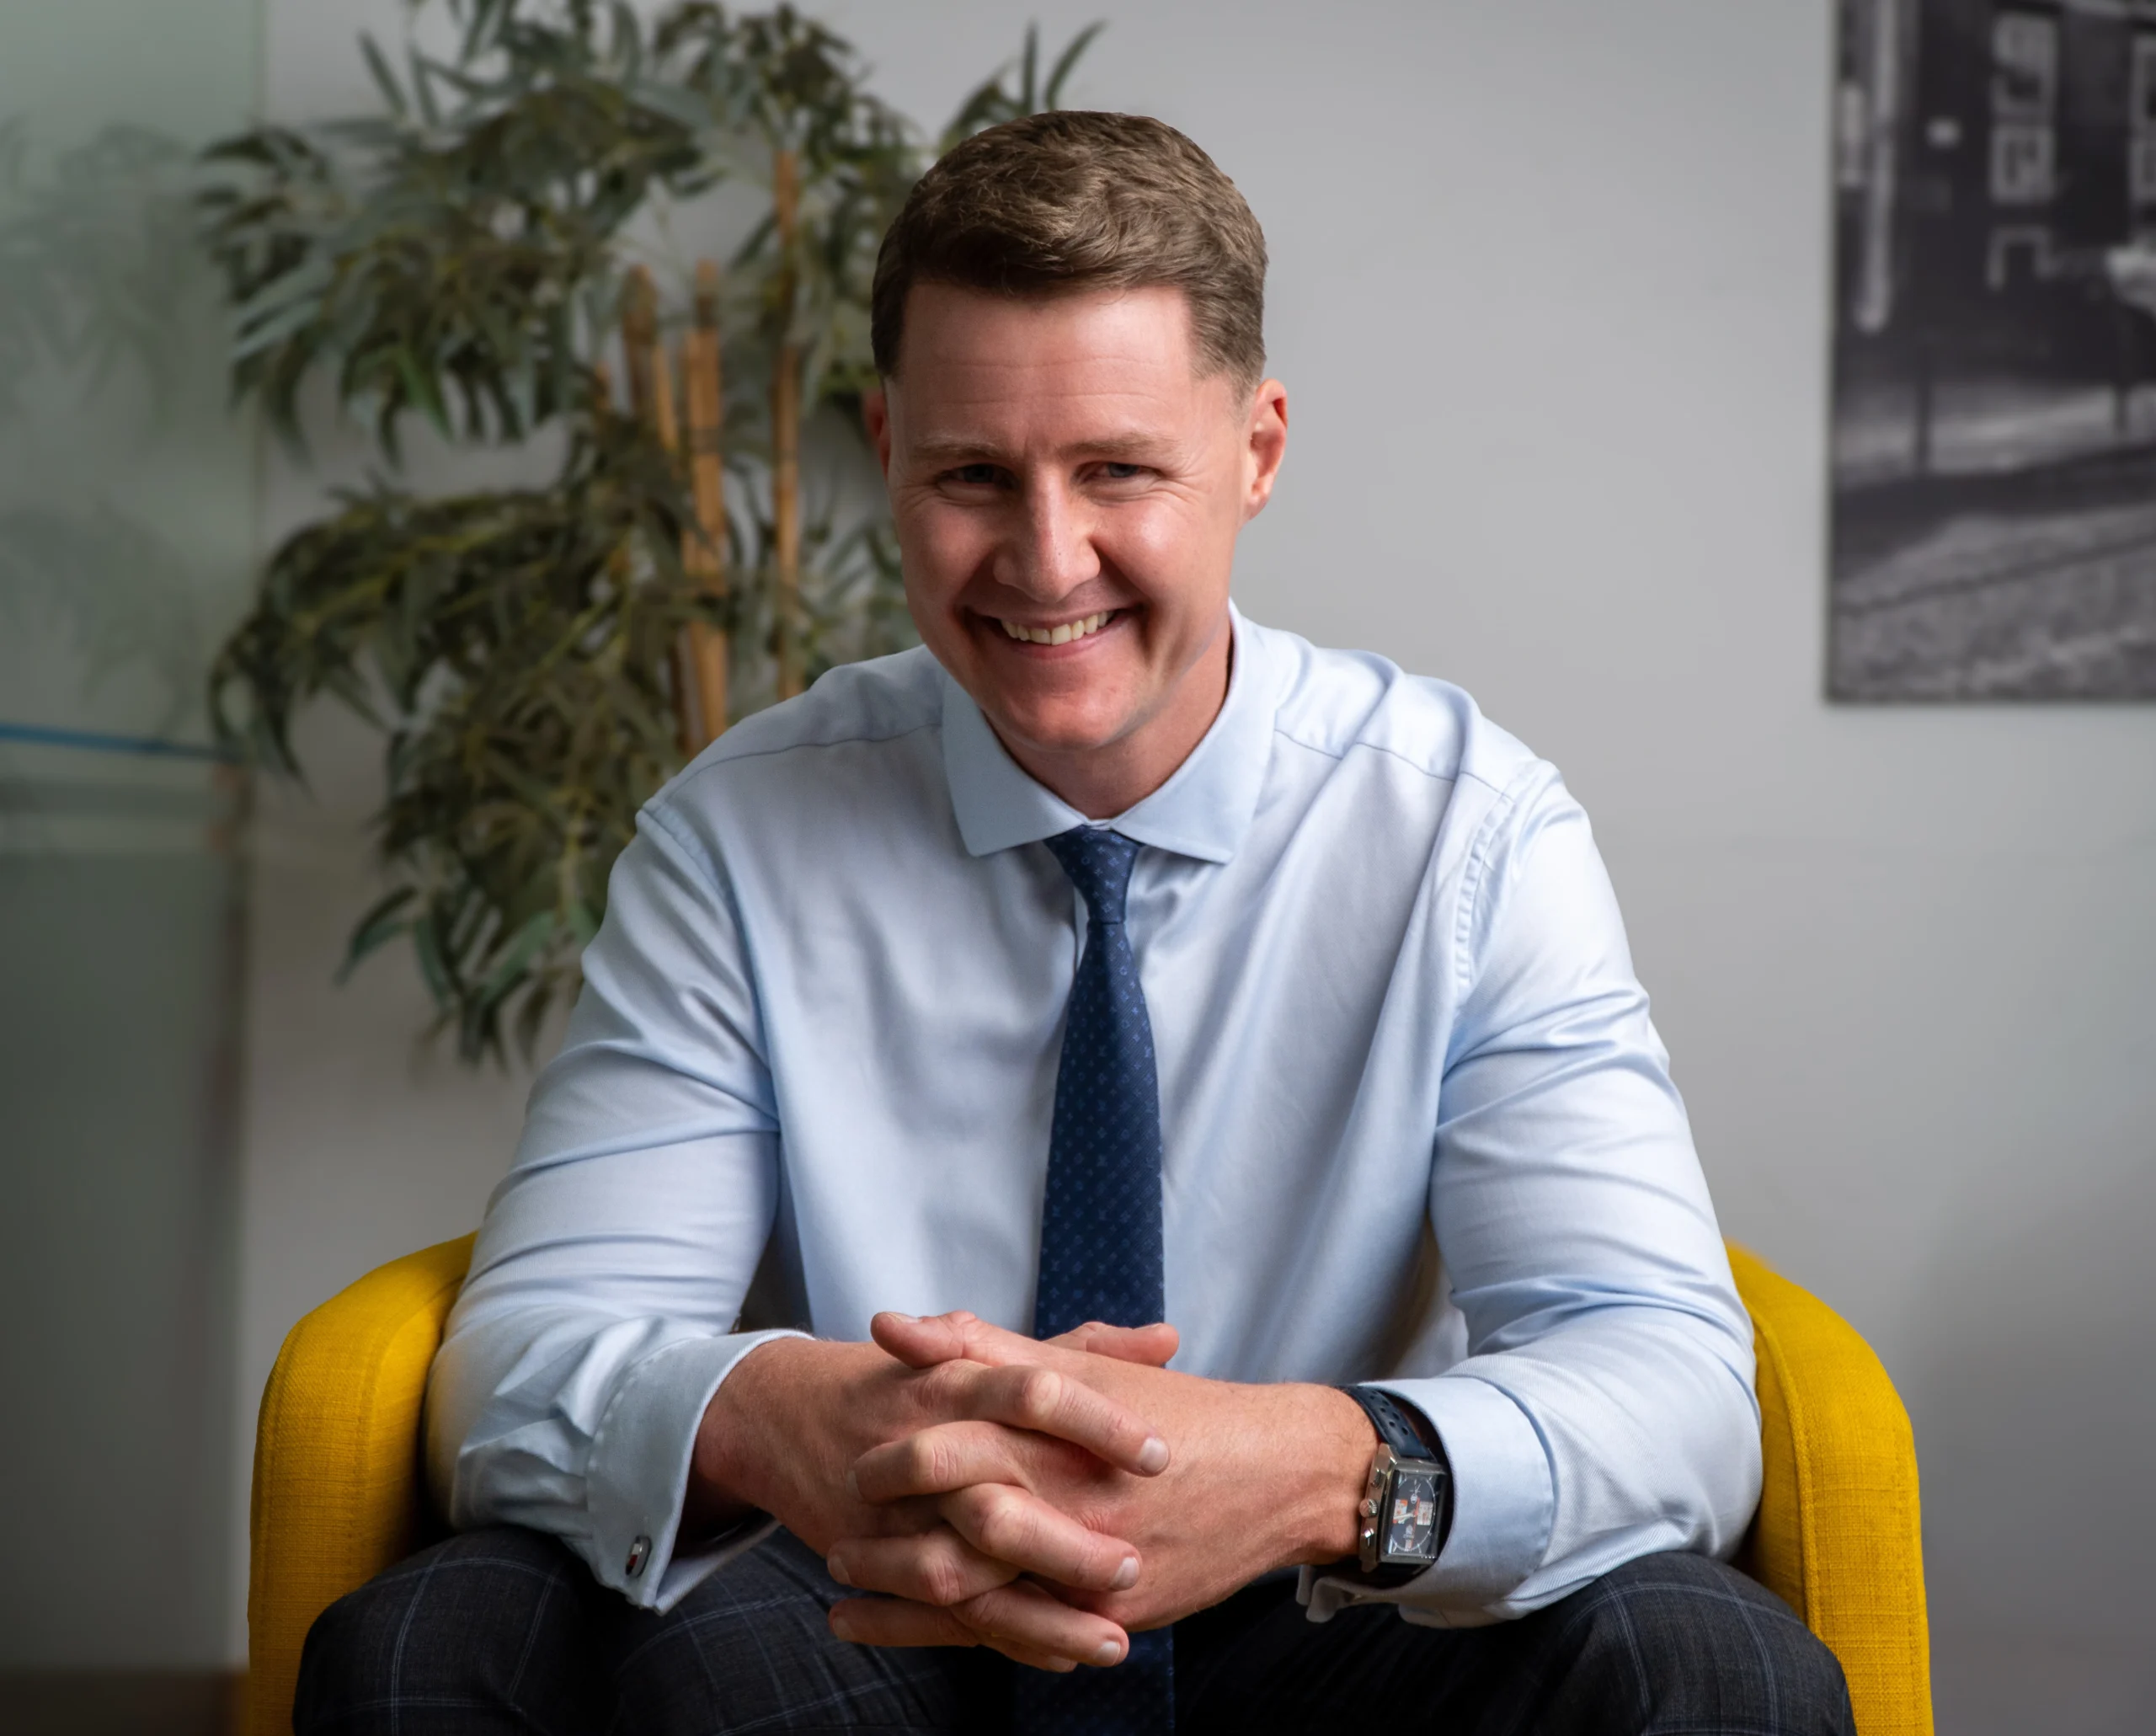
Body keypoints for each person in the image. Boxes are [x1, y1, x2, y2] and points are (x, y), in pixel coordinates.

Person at [299, 111, 1855, 1735]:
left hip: (1328, 1593)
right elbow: (523, 1356)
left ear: (1255, 451)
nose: (1047, 563)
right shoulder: (739, 833)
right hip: (875, 1567)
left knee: (1720, 1677)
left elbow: (1671, 1385)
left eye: (1117, 469)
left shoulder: (1470, 831)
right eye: (974, 474)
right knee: (430, 1655)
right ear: (888, 445)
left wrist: (1318, 1467)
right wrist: (776, 1416)